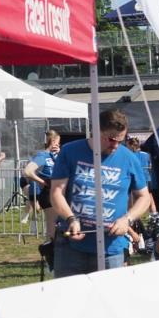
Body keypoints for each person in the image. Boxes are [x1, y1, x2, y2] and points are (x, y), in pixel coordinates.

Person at [49, 110, 151, 277]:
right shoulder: (70, 152)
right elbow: (56, 192)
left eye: (121, 140)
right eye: (111, 139)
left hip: (111, 248)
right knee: (68, 299)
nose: (116, 145)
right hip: (71, 247)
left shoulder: (129, 159)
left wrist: (127, 219)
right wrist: (71, 218)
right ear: (96, 131)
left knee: (108, 300)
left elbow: (144, 197)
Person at [23, 130, 60, 236]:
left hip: (57, 193)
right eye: (58, 143)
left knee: (56, 226)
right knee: (52, 228)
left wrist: (59, 155)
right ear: (53, 141)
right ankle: (50, 248)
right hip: (47, 194)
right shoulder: (42, 156)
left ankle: (53, 246)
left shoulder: (54, 156)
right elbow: (27, 171)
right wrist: (43, 182)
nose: (58, 145)